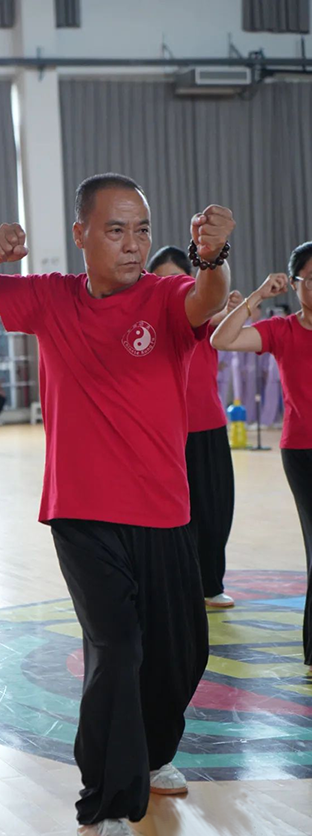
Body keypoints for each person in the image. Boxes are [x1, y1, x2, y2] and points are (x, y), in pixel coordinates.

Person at [0, 172, 235, 836]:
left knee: (183, 652)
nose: (133, 244)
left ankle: (152, 751)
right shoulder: (50, 297)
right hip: (81, 512)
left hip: (164, 511)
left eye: (141, 230)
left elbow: (207, 298)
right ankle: (102, 813)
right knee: (117, 649)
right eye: (116, 230)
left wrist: (213, 256)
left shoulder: (165, 297)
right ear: (81, 234)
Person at [211, 246, 312, 671]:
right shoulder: (282, 331)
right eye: (311, 279)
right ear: (295, 284)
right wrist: (257, 296)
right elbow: (222, 339)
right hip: (304, 452)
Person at [148, 246, 236, 609]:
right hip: (163, 433)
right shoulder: (148, 329)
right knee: (171, 515)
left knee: (215, 510)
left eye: (178, 280)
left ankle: (210, 584)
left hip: (207, 427)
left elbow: (223, 315)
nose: (171, 287)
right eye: (161, 281)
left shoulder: (204, 318)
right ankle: (174, 585)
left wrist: (240, 304)